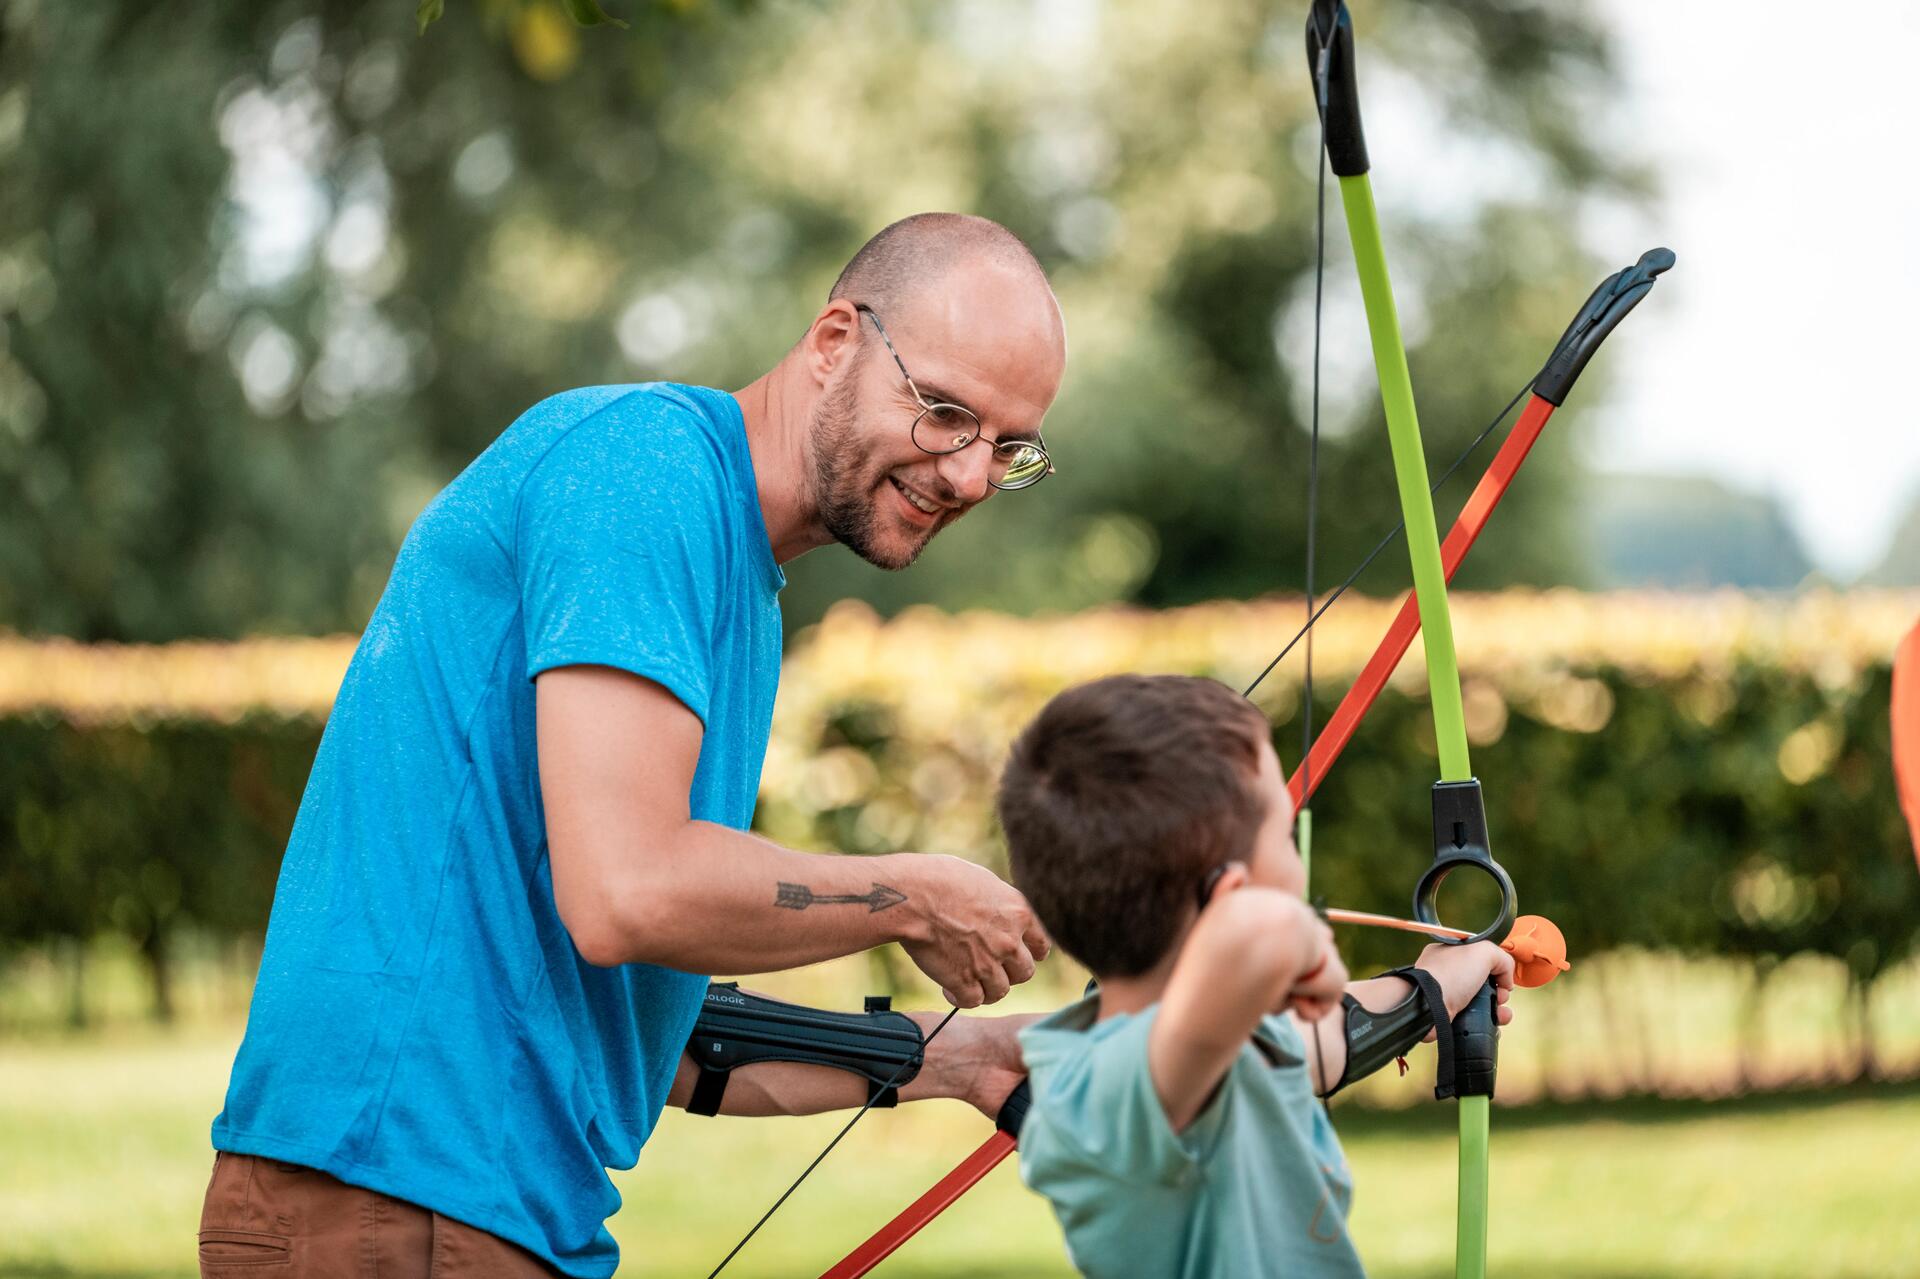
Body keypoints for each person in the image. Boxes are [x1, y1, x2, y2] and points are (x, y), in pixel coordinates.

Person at [200, 214, 1063, 1279]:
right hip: (398, 1202)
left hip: (464, 1213)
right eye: (944, 413)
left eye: (1009, 448)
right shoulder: (646, 473)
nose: (973, 475)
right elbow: (627, 893)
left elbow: (659, 1031)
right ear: (835, 342)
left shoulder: (734, 577)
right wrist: (914, 895)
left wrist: (964, 1059)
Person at [995, 673, 1518, 1278]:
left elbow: (1311, 1045)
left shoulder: (1202, 1042)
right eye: (1282, 836)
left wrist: (1431, 988)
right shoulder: (1125, 1088)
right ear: (1235, 897)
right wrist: (1282, 937)